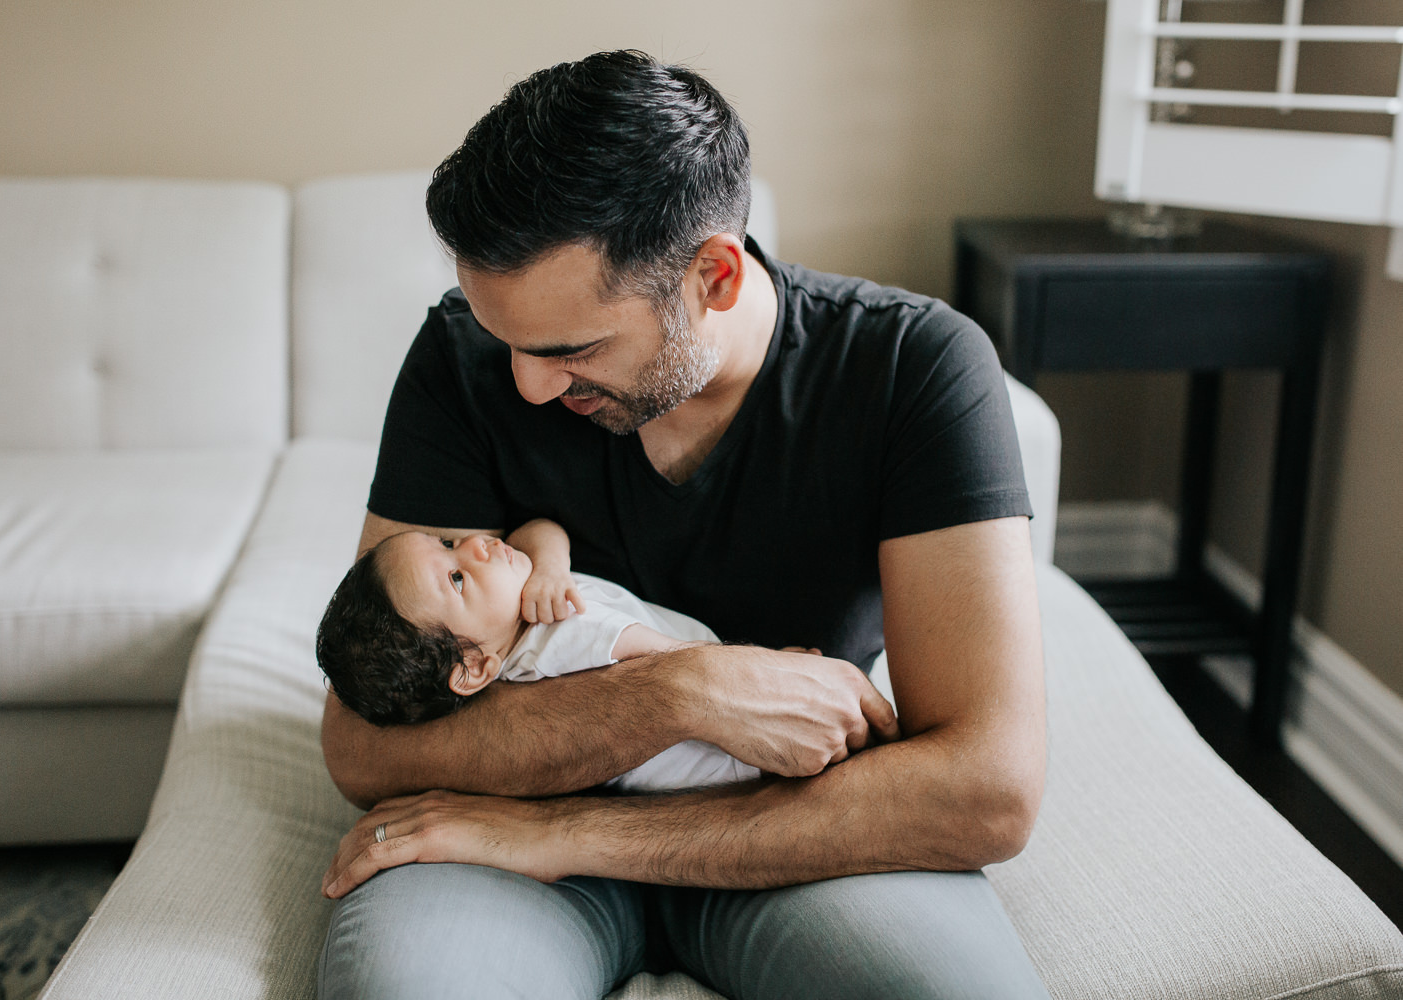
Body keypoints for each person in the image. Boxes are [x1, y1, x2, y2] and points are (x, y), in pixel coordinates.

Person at [318, 49, 1050, 1000]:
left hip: (789, 831)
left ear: (715, 276)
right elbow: (362, 744)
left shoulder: (917, 368)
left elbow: (988, 788)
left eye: (570, 348)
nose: (527, 385)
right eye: (508, 343)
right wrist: (679, 692)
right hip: (498, 844)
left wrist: (569, 832)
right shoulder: (460, 360)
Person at [314, 519, 759, 792]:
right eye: (456, 579)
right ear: (473, 668)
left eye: (445, 543)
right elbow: (692, 668)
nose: (475, 544)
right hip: (737, 757)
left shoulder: (513, 619)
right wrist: (777, 667)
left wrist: (548, 568)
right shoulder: (560, 641)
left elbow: (537, 529)